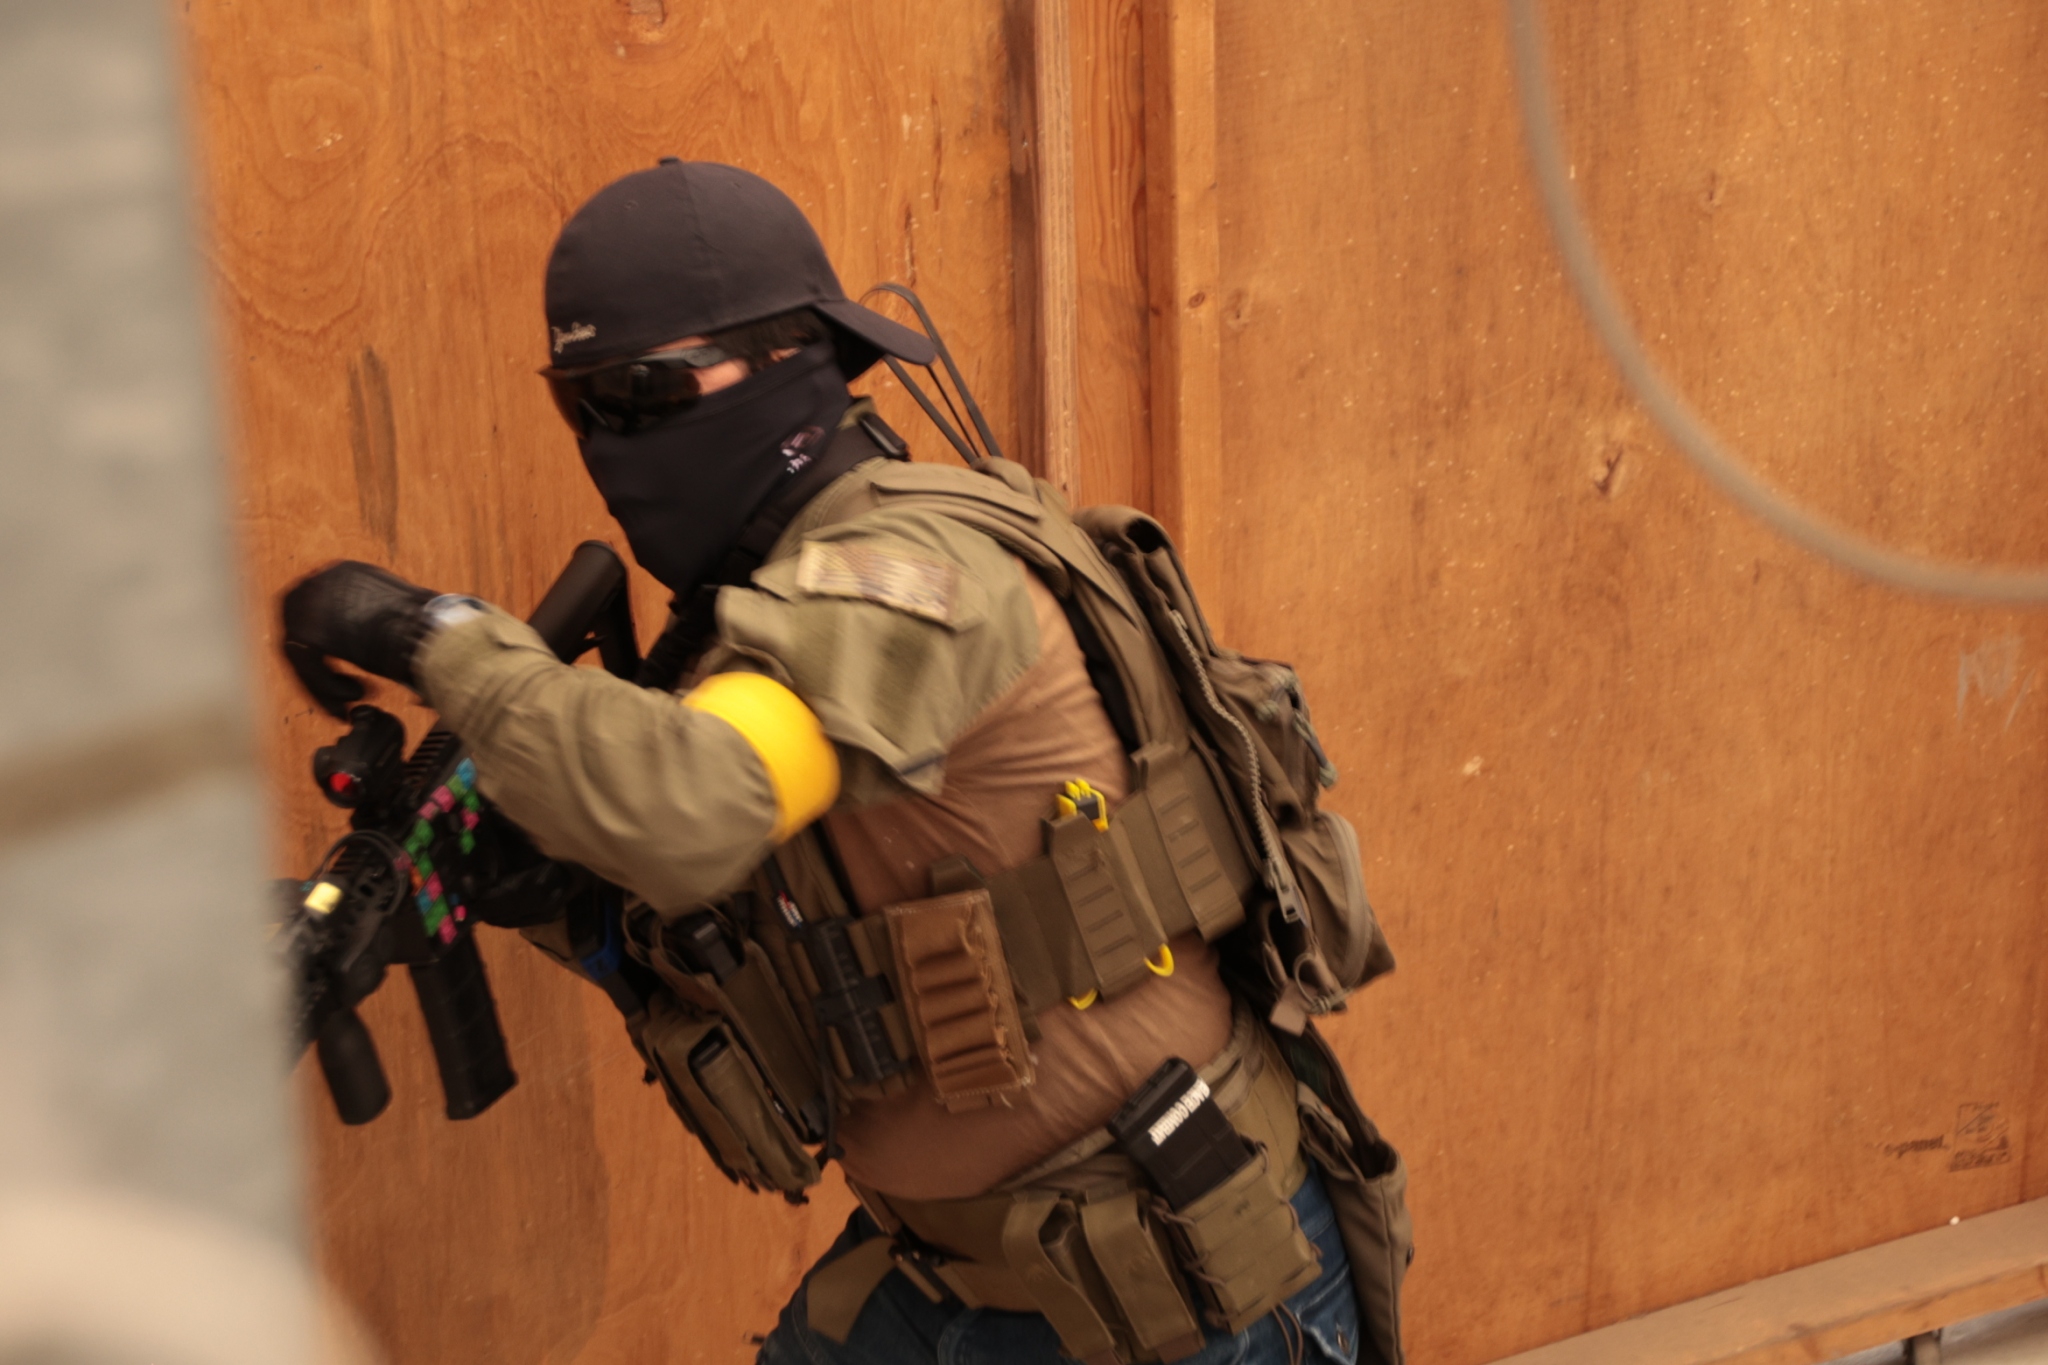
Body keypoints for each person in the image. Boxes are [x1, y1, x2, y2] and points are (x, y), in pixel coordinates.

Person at [280, 160, 1406, 1365]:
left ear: (793, 359)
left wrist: (432, 635)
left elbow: (692, 803)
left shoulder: (912, 573)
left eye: (646, 391)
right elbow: (767, 927)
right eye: (583, 406)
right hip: (949, 1276)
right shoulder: (770, 607)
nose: (612, 441)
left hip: (1173, 1298)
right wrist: (561, 894)